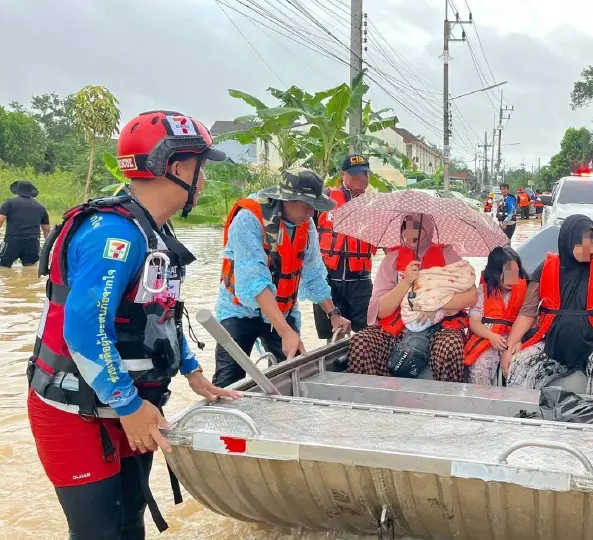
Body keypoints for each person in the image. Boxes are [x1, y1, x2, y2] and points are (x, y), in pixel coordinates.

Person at [25, 110, 242, 539]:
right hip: (79, 410)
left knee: (129, 526)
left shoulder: (153, 232)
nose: (204, 180)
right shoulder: (113, 235)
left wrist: (192, 371)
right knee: (100, 533)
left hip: (129, 402)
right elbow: (85, 329)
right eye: (201, 167)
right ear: (176, 167)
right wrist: (127, 404)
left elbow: (158, 314)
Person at [214, 167, 352, 388]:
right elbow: (255, 282)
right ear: (287, 200)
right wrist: (286, 332)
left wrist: (333, 313)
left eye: (314, 208)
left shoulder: (305, 226)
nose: (311, 214)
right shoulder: (248, 220)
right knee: (229, 379)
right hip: (239, 311)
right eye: (307, 207)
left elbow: (314, 274)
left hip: (283, 309)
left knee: (295, 373)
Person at [500, 215, 593, 396]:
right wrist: (510, 347)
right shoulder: (545, 269)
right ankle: (524, 418)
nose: (589, 249)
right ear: (567, 242)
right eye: (582, 244)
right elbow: (527, 313)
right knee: (521, 363)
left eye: (592, 243)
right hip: (553, 346)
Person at [347, 214, 477, 382]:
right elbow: (380, 311)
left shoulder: (448, 255)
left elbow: (472, 296)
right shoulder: (391, 260)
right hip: (399, 328)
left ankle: (444, 403)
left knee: (451, 345)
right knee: (360, 341)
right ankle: (372, 400)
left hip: (441, 327)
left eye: (417, 226)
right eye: (406, 227)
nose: (410, 232)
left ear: (429, 230)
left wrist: (435, 305)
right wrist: (406, 282)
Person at [314, 154, 378, 343]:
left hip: (361, 281)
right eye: (355, 174)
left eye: (365, 173)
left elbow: (389, 244)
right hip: (327, 280)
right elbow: (306, 231)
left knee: (369, 333)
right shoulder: (324, 199)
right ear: (343, 174)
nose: (361, 178)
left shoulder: (375, 205)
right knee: (334, 335)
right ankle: (335, 369)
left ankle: (363, 367)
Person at [464, 246, 529, 385]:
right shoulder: (482, 292)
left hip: (513, 338)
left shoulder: (524, 293)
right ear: (495, 272)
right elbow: (474, 322)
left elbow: (527, 320)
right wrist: (490, 336)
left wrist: (518, 340)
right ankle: (481, 399)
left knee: (519, 365)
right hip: (487, 337)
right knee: (479, 367)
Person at [0, 180, 51, 267]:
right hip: (33, 242)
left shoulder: (9, 203)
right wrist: (47, 247)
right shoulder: (41, 206)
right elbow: (46, 229)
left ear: (18, 190)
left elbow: (0, 220)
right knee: (30, 268)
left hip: (12, 241)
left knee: (3, 267)